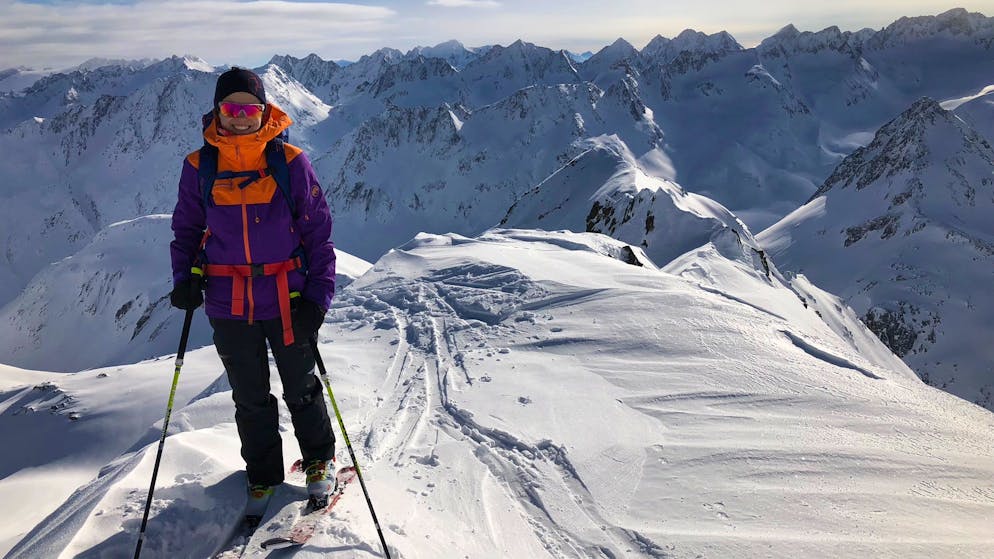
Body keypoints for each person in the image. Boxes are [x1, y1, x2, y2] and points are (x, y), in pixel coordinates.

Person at [169, 67, 337, 523]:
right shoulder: (199, 167)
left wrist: (319, 297)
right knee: (249, 396)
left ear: (264, 112)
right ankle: (262, 473)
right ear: (217, 113)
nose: (240, 118)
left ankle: (319, 459)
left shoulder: (290, 161)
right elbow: (186, 228)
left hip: (288, 295)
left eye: (249, 108)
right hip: (229, 299)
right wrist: (183, 276)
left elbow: (318, 234)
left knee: (301, 385)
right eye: (231, 108)